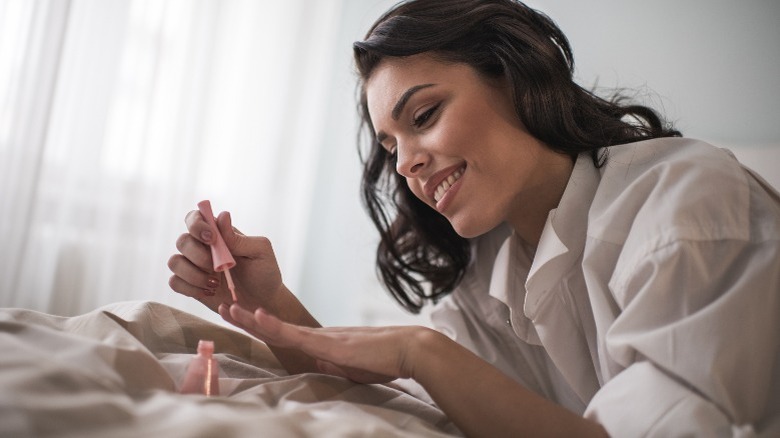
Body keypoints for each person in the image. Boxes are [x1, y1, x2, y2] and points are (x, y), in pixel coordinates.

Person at [167, 0, 780, 436]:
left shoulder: (687, 202)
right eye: (389, 147)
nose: (406, 164)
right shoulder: (494, 271)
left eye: (425, 115)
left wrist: (421, 350)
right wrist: (268, 300)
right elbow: (397, 399)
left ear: (514, 78)